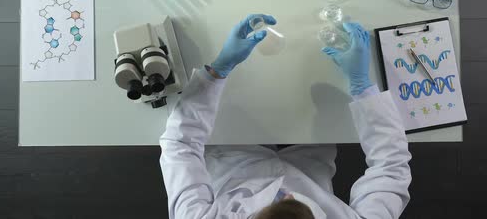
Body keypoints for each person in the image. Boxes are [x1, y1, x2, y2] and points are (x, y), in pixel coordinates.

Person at [159, 14, 412, 219]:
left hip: (234, 153)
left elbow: (179, 145)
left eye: (278, 202)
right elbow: (391, 168)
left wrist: (217, 71)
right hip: (310, 154)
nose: (285, 193)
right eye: (294, 202)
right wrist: (363, 87)